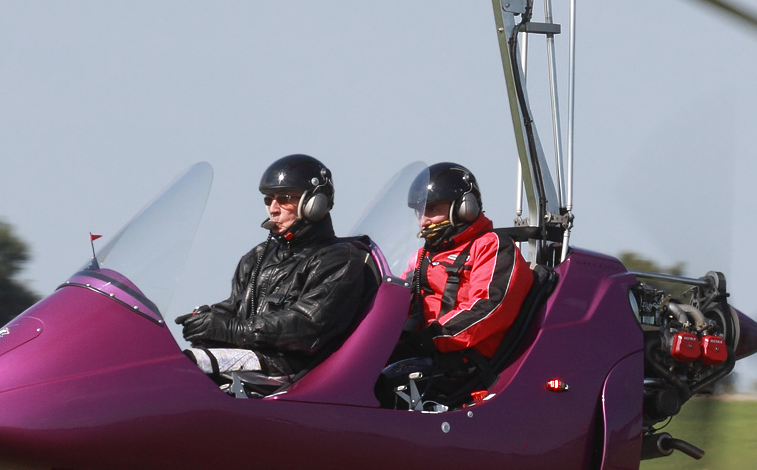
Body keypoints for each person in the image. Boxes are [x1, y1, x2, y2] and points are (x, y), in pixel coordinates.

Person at [177, 154, 372, 390]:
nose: (273, 209)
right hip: (249, 359)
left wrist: (229, 330)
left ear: (314, 203)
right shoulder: (257, 256)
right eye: (269, 200)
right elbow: (236, 307)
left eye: (285, 199)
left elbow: (307, 326)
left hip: (289, 368)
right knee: (163, 362)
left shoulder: (338, 258)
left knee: (186, 365)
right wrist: (206, 320)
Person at [391, 162, 533, 399]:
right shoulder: (422, 256)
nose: (423, 221)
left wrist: (429, 340)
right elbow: (396, 300)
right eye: (419, 211)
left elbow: (488, 308)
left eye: (432, 209)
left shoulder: (491, 246)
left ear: (465, 207)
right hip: (424, 355)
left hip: (463, 363)